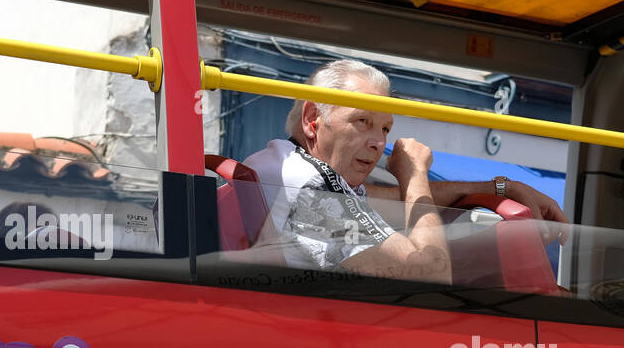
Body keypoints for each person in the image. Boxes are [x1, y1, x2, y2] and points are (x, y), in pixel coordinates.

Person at [243, 59, 568, 284]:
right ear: (313, 119)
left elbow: (387, 199)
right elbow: (431, 275)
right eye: (363, 122)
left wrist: (502, 188)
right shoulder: (312, 188)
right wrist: (414, 175)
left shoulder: (284, 163)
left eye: (385, 127)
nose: (379, 142)